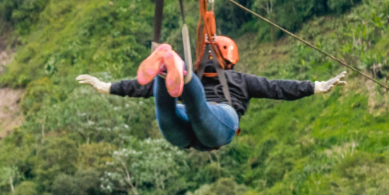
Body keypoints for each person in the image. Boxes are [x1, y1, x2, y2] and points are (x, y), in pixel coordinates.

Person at [76, 41, 346, 151]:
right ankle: (166, 68)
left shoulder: (238, 80)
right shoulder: (240, 78)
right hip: (205, 128)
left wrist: (314, 86)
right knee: (177, 106)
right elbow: (277, 88)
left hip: (211, 120)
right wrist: (107, 86)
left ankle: (169, 66)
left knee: (178, 107)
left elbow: (277, 88)